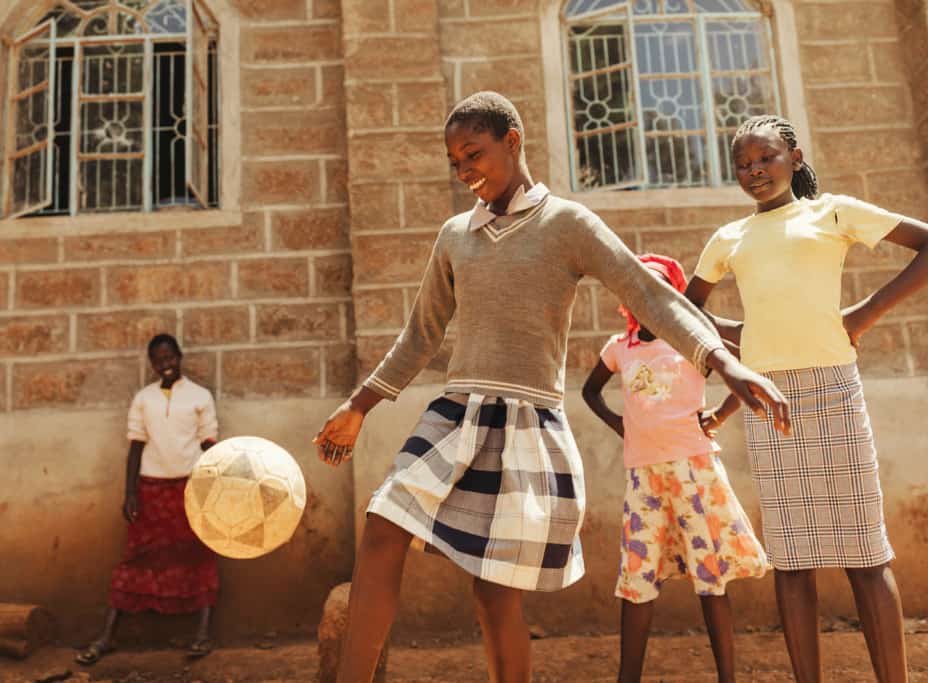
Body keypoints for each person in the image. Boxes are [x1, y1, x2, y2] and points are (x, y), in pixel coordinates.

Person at [314, 91, 790, 683]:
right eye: (454, 162)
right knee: (383, 525)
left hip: (527, 425)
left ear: (512, 142)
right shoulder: (455, 235)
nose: (465, 171)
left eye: (474, 154)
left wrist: (724, 362)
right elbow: (419, 335)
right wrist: (358, 405)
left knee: (494, 596)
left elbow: (650, 296)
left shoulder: (568, 223)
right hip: (456, 415)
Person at [685, 114, 928, 683]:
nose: (754, 171)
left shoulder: (832, 212)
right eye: (743, 164)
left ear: (794, 157)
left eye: (765, 158)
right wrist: (738, 334)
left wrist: (864, 314)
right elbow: (687, 307)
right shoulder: (729, 239)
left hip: (833, 387)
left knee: (866, 553)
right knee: (793, 562)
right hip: (769, 400)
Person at [582, 253, 768, 683]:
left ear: (675, 292)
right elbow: (590, 391)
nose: (649, 292)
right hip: (644, 476)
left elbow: (746, 373)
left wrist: (718, 416)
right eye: (639, 284)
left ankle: (727, 677)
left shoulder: (693, 339)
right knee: (638, 576)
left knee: (710, 575)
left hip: (695, 471)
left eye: (660, 283)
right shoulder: (620, 347)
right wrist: (620, 426)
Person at [75, 334, 220, 666]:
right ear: (152, 364)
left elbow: (209, 444)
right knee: (135, 559)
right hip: (151, 490)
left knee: (198, 554)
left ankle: (202, 634)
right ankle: (108, 636)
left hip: (191, 487)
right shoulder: (144, 399)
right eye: (158, 359)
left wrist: (213, 488)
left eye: (169, 356)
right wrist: (129, 493)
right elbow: (136, 448)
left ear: (179, 356)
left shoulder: (199, 397)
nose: (165, 363)